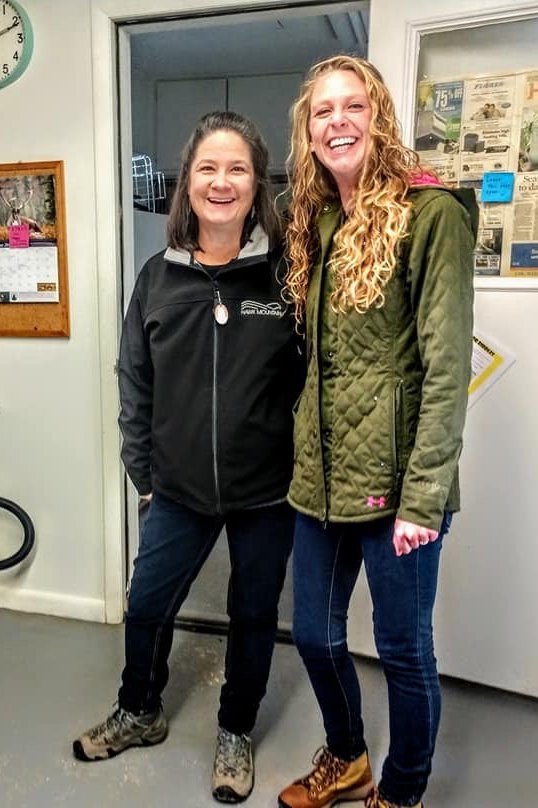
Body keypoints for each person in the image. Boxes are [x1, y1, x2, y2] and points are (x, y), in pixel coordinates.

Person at [72, 111, 303, 804]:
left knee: (254, 616)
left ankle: (236, 730)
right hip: (175, 488)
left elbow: (314, 378)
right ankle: (140, 710)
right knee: (145, 607)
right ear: (187, 184)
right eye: (208, 168)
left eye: (237, 169)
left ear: (256, 184)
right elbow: (134, 381)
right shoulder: (158, 277)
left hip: (268, 491)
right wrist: (144, 474)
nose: (222, 182)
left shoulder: (285, 276)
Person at [277, 55, 476, 808]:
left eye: (352, 106)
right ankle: (350, 756)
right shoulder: (319, 219)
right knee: (315, 637)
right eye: (322, 111)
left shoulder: (433, 217)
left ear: (378, 114)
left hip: (398, 488)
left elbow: (446, 370)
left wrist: (423, 499)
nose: (338, 121)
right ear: (309, 130)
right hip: (320, 480)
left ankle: (403, 788)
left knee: (402, 651)